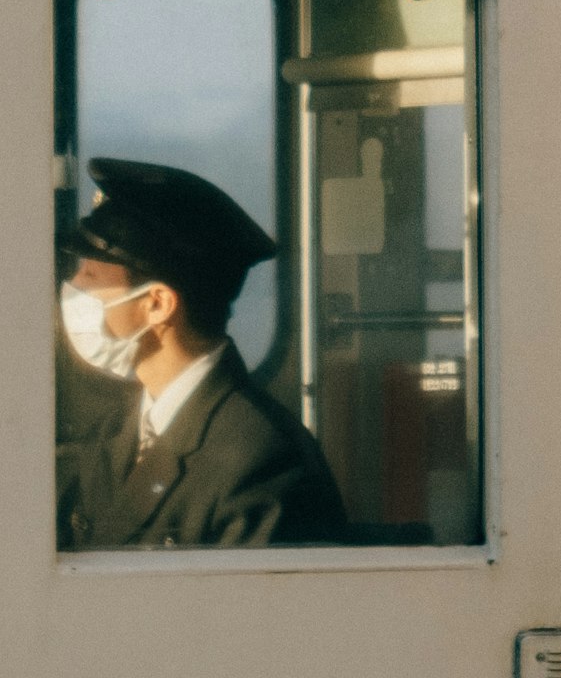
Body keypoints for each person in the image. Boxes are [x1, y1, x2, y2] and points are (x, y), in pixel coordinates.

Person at [57, 158, 346, 549]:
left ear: (157, 305)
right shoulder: (117, 432)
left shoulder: (262, 464)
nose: (73, 287)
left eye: (90, 276)